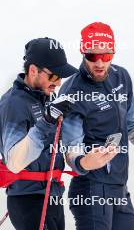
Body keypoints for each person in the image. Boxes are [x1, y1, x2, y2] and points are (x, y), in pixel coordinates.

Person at [60, 22, 134, 230]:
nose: (100, 63)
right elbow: (70, 148)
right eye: (93, 56)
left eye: (107, 56)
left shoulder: (121, 77)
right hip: (90, 190)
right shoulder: (71, 92)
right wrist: (85, 161)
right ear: (83, 52)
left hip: (119, 187)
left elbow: (133, 125)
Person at [0, 37, 78, 230]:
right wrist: (47, 121)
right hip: (28, 201)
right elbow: (15, 162)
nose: (59, 83)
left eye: (61, 77)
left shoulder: (45, 99)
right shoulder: (13, 104)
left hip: (52, 196)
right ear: (33, 70)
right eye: (54, 76)